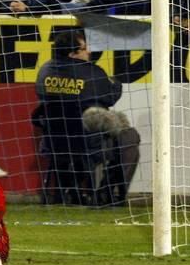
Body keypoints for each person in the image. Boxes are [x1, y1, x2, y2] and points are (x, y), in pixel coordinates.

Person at [34, 30, 138, 205]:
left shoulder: (44, 70)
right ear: (72, 53)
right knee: (129, 138)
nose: (88, 52)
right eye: (84, 49)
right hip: (87, 142)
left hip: (54, 142)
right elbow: (110, 97)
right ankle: (108, 193)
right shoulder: (92, 72)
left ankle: (69, 188)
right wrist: (116, 84)